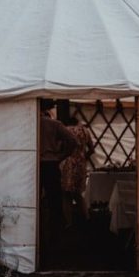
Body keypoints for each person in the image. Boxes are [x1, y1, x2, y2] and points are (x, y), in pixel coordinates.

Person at [39, 99, 78, 265]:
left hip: (32, 164)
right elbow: (73, 141)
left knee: (32, 202)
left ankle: (37, 236)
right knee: (54, 200)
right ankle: (55, 236)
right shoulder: (54, 124)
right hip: (50, 163)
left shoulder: (27, 123)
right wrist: (61, 156)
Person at [60, 117, 91, 228]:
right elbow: (91, 149)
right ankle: (86, 217)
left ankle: (69, 222)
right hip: (81, 164)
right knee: (78, 193)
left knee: (66, 194)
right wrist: (82, 157)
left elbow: (60, 147)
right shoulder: (85, 131)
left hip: (68, 164)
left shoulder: (65, 130)